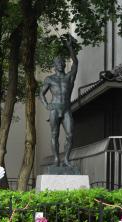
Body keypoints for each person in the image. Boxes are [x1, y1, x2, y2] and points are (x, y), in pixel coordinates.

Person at [39, 34, 78, 167]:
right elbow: (41, 93)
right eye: (58, 63)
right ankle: (56, 159)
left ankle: (66, 158)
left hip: (66, 109)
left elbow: (76, 64)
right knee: (54, 135)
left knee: (70, 135)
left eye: (62, 63)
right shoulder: (49, 79)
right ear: (54, 65)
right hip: (55, 108)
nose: (60, 64)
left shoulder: (69, 77)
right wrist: (46, 105)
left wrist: (70, 48)